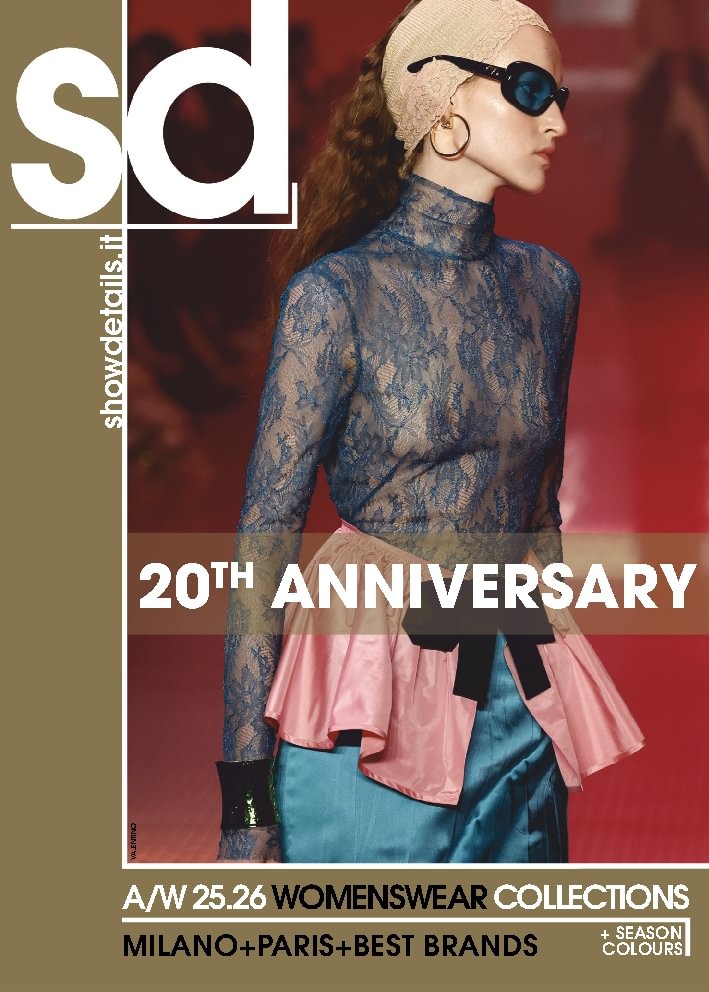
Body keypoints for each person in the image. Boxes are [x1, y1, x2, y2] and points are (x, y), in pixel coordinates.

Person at [216, 0, 645, 864]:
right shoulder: (334, 297)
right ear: (444, 106)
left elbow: (539, 510)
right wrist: (244, 803)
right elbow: (263, 546)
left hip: (516, 701)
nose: (557, 121)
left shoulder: (547, 288)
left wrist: (552, 694)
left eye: (558, 95)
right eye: (530, 90)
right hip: (366, 708)